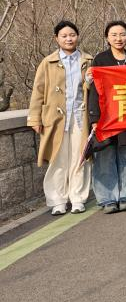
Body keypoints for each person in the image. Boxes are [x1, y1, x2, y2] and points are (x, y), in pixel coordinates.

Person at [27, 21, 93, 215]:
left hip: (80, 116)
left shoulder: (88, 60)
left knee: (80, 158)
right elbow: (38, 91)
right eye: (64, 36)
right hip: (55, 118)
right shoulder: (48, 62)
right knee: (58, 159)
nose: (68, 39)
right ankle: (58, 200)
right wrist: (35, 118)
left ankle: (78, 198)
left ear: (77, 36)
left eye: (72, 35)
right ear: (56, 38)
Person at [88, 21, 126, 214]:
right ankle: (107, 198)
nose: (119, 38)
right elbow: (95, 90)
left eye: (122, 34)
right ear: (107, 38)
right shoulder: (101, 59)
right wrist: (94, 118)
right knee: (105, 155)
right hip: (107, 116)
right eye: (114, 35)